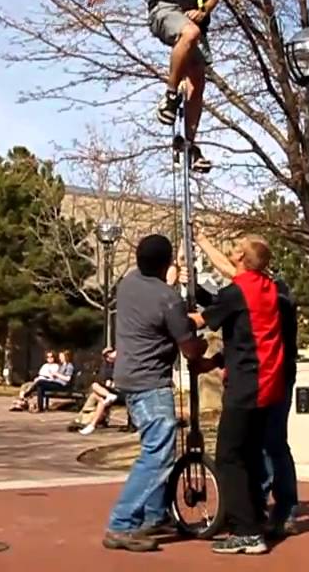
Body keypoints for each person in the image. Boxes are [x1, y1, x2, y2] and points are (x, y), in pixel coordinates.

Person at [86, 0, 230, 174]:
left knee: (198, 82)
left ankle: (189, 146)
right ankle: (169, 94)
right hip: (165, 10)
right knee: (188, 34)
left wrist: (206, 10)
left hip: (196, 21)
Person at [103, 234, 212, 553]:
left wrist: (173, 280)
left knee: (155, 448)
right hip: (150, 384)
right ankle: (120, 524)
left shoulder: (128, 283)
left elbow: (159, 296)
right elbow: (190, 349)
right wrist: (202, 344)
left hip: (129, 378)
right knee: (157, 454)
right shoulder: (168, 300)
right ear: (166, 265)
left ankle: (154, 514)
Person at [189, 235, 295, 555]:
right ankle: (255, 518)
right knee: (249, 454)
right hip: (270, 384)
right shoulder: (273, 289)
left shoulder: (236, 292)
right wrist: (203, 242)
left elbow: (200, 319)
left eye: (234, 248)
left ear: (238, 257)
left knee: (230, 457)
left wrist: (169, 305)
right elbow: (249, 334)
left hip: (247, 385)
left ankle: (246, 532)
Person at [79, 348, 122, 435]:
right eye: (112, 352)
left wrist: (113, 383)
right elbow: (103, 379)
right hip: (112, 390)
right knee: (101, 399)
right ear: (108, 356)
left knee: (95, 388)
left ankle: (92, 425)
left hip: (122, 391)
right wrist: (108, 383)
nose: (115, 352)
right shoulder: (106, 367)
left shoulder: (120, 364)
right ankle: (92, 425)